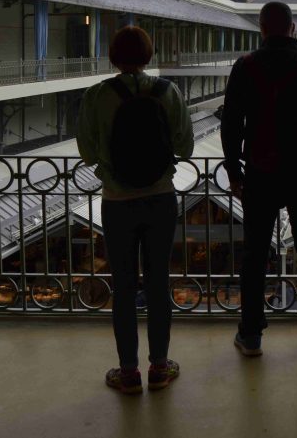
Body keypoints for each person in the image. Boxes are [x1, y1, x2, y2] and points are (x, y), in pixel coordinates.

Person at [78, 25, 194, 393]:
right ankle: (160, 367)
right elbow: (186, 147)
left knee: (124, 288)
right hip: (160, 198)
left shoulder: (97, 95)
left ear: (113, 57)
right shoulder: (168, 92)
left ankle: (128, 373)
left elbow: (87, 151)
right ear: (149, 56)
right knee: (158, 284)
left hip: (117, 202)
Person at [221, 1, 297, 356]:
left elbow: (230, 125)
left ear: (261, 28)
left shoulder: (245, 67)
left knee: (255, 255)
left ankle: (251, 334)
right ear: (293, 28)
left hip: (260, 173)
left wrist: (235, 172)